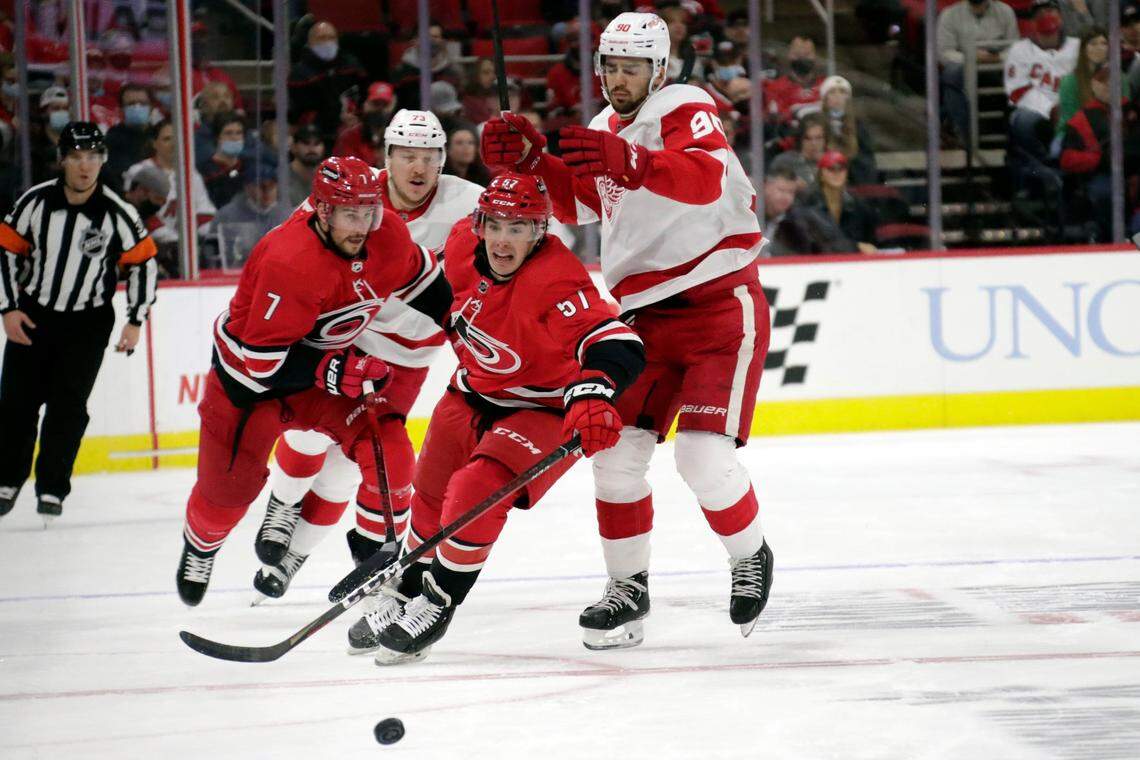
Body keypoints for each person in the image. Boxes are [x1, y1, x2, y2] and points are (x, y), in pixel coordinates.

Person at [482, 11, 774, 648]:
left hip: (720, 309)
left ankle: (750, 555)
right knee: (614, 460)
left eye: (631, 66)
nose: (618, 78)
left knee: (702, 455)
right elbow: (580, 206)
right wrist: (534, 163)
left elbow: (702, 181)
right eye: (610, 66)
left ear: (660, 69)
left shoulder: (685, 106)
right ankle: (627, 590)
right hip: (645, 319)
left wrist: (631, 158)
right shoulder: (598, 127)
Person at [362, 173, 645, 664]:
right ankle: (407, 586)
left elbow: (617, 341)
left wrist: (595, 389)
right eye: (495, 224)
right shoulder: (459, 242)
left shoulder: (555, 277)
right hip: (471, 390)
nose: (502, 238)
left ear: (540, 232)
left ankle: (439, 598)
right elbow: (441, 297)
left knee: (474, 491)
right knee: (428, 497)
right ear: (479, 223)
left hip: (539, 407)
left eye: (518, 228)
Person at [175, 155, 453, 607]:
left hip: (318, 377)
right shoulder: (288, 260)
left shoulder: (384, 233)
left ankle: (375, 554)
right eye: (349, 214)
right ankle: (202, 545)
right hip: (248, 385)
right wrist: (333, 370)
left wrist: (457, 324)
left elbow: (422, 279)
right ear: (323, 212)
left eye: (368, 212)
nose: (361, 225)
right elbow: (262, 363)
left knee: (388, 444)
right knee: (226, 496)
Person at [251, 110, 485, 602]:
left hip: (409, 359)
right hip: (345, 338)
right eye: (407, 157)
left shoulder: (469, 202)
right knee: (306, 431)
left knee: (347, 466)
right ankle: (283, 503)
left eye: (428, 158)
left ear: (442, 160)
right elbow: (297, 240)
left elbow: (526, 233)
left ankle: (295, 555)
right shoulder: (355, 193)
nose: (418, 168)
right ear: (388, 158)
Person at [0, 122, 157, 523]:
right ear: (62, 160)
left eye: (93, 157)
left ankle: (52, 487)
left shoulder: (116, 212)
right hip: (34, 315)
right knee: (17, 403)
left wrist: (135, 318)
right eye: (76, 157)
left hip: (88, 324)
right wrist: (8, 308)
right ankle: (7, 479)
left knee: (68, 409)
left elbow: (143, 262)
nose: (85, 167)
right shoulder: (35, 203)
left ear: (102, 161)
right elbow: (6, 251)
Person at [1004, 0, 1079, 192]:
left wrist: (1067, 108)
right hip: (1036, 112)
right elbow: (1016, 92)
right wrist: (1050, 108)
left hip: (1073, 109)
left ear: (1061, 17)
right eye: (1039, 12)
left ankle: (1067, 176)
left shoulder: (1077, 47)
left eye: (1051, 10)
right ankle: (1045, 172)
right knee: (1023, 121)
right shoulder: (1019, 50)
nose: (1046, 15)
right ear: (1032, 21)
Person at [1059, 63, 1140, 240]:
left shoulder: (1133, 110)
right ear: (1094, 86)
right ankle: (1111, 238)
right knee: (1105, 192)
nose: (1110, 87)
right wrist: (1100, 159)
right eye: (1104, 82)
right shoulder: (1081, 119)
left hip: (1134, 170)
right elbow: (1067, 159)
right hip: (1103, 173)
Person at [936, 0, 1019, 146]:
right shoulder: (949, 15)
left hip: (998, 68)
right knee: (952, 74)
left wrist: (995, 58)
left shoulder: (1005, 12)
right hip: (964, 70)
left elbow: (1016, 48)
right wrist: (971, 58)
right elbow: (944, 53)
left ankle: (1012, 137)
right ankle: (963, 135)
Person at [124, 119, 216, 251]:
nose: (173, 144)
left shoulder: (192, 174)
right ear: (154, 143)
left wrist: (204, 238)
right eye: (167, 139)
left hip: (185, 247)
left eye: (177, 138)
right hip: (146, 245)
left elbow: (204, 213)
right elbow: (140, 214)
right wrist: (176, 241)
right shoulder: (139, 171)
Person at [288, 21, 368, 143]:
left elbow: (364, 95)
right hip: (318, 136)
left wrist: (357, 115)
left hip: (355, 127)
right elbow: (303, 114)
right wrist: (338, 118)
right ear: (310, 43)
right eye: (321, 38)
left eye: (331, 38)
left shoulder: (352, 65)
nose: (327, 42)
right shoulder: (299, 75)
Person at [212, 158, 291, 269]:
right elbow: (212, 255)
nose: (267, 191)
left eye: (271, 185)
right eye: (261, 186)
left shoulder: (289, 216)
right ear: (247, 187)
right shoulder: (226, 216)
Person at [798, 150, 880, 253]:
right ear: (821, 174)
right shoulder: (808, 204)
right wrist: (856, 246)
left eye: (841, 169)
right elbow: (812, 242)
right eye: (831, 169)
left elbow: (869, 242)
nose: (836, 173)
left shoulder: (859, 207)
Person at [1056, 27, 1124, 142]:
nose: (1099, 48)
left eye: (1104, 43)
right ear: (1083, 49)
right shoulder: (1069, 81)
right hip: (1073, 136)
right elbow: (1070, 119)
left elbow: (1124, 111)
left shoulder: (1120, 78)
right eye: (1093, 44)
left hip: (1109, 134)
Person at [103, 83, 155, 193]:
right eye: (131, 104)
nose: (137, 107)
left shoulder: (159, 135)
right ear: (121, 109)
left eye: (142, 103)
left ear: (151, 107)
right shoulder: (113, 138)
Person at [332, 81, 397, 168]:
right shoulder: (349, 137)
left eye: (385, 105)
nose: (380, 109)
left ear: (392, 107)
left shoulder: (398, 137)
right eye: (376, 104)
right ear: (365, 104)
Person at [764, 35, 824, 125]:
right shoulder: (775, 87)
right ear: (789, 55)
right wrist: (793, 112)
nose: (802, 59)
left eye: (807, 54)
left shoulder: (825, 85)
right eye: (798, 54)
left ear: (815, 56)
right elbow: (774, 119)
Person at [198, 112, 247, 209]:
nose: (234, 138)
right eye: (228, 133)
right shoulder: (203, 171)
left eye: (239, 133)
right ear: (217, 137)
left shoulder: (249, 167)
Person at [769, 112, 830, 189]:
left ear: (826, 139)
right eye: (807, 138)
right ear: (800, 139)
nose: (813, 143)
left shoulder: (833, 163)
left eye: (818, 138)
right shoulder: (784, 162)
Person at [287, 123, 326, 207]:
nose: (312, 148)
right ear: (294, 147)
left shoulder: (330, 177)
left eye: (317, 143)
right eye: (306, 143)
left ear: (323, 148)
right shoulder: (281, 177)